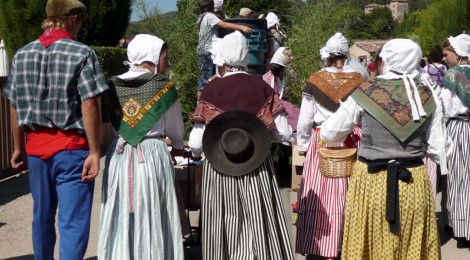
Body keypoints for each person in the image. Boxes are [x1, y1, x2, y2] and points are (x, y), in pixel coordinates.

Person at [1, 0, 108, 259]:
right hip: (72, 150)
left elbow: (14, 104)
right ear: (71, 18)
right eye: (81, 20)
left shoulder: (22, 54)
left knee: (41, 217)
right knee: (72, 222)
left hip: (36, 150)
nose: (81, 27)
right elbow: (90, 104)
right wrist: (95, 151)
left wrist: (18, 147)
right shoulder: (82, 53)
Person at [320, 39, 444, 259]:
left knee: (370, 243)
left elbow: (329, 133)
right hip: (413, 183)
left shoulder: (366, 92)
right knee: (410, 244)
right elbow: (437, 148)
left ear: (384, 60)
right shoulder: (427, 94)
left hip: (370, 181)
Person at [189, 31, 294, 260]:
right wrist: (260, 136)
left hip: (219, 169)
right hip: (256, 167)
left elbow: (196, 144)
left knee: (224, 229)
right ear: (246, 56)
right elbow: (285, 134)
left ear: (222, 58)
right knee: (258, 226)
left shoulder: (210, 90)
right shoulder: (262, 87)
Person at [97, 34, 185, 259]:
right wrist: (176, 145)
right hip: (152, 155)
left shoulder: (111, 85)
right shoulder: (164, 88)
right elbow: (175, 129)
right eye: (165, 58)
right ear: (152, 57)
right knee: (153, 210)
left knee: (121, 211)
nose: (167, 64)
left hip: (119, 153)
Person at [295, 32, 364, 259]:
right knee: (348, 192)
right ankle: (349, 242)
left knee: (322, 191)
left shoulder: (316, 80)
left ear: (327, 54)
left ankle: (323, 245)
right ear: (346, 53)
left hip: (322, 138)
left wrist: (304, 145)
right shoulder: (358, 80)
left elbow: (305, 119)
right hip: (351, 138)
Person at [440, 33, 470, 242]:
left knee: (459, 178)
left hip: (459, 129)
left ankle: (461, 228)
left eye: (446, 54)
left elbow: (445, 107)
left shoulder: (453, 75)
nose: (444, 58)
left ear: (458, 53)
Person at [197, 0, 252, 100]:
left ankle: (204, 103)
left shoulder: (202, 16)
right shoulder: (209, 16)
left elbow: (227, 20)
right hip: (207, 51)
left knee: (204, 80)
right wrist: (242, 27)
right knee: (205, 82)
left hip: (203, 51)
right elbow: (224, 25)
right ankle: (203, 104)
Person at [262, 46, 300, 133]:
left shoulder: (291, 74)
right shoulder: (268, 77)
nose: (292, 58)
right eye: (289, 55)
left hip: (287, 103)